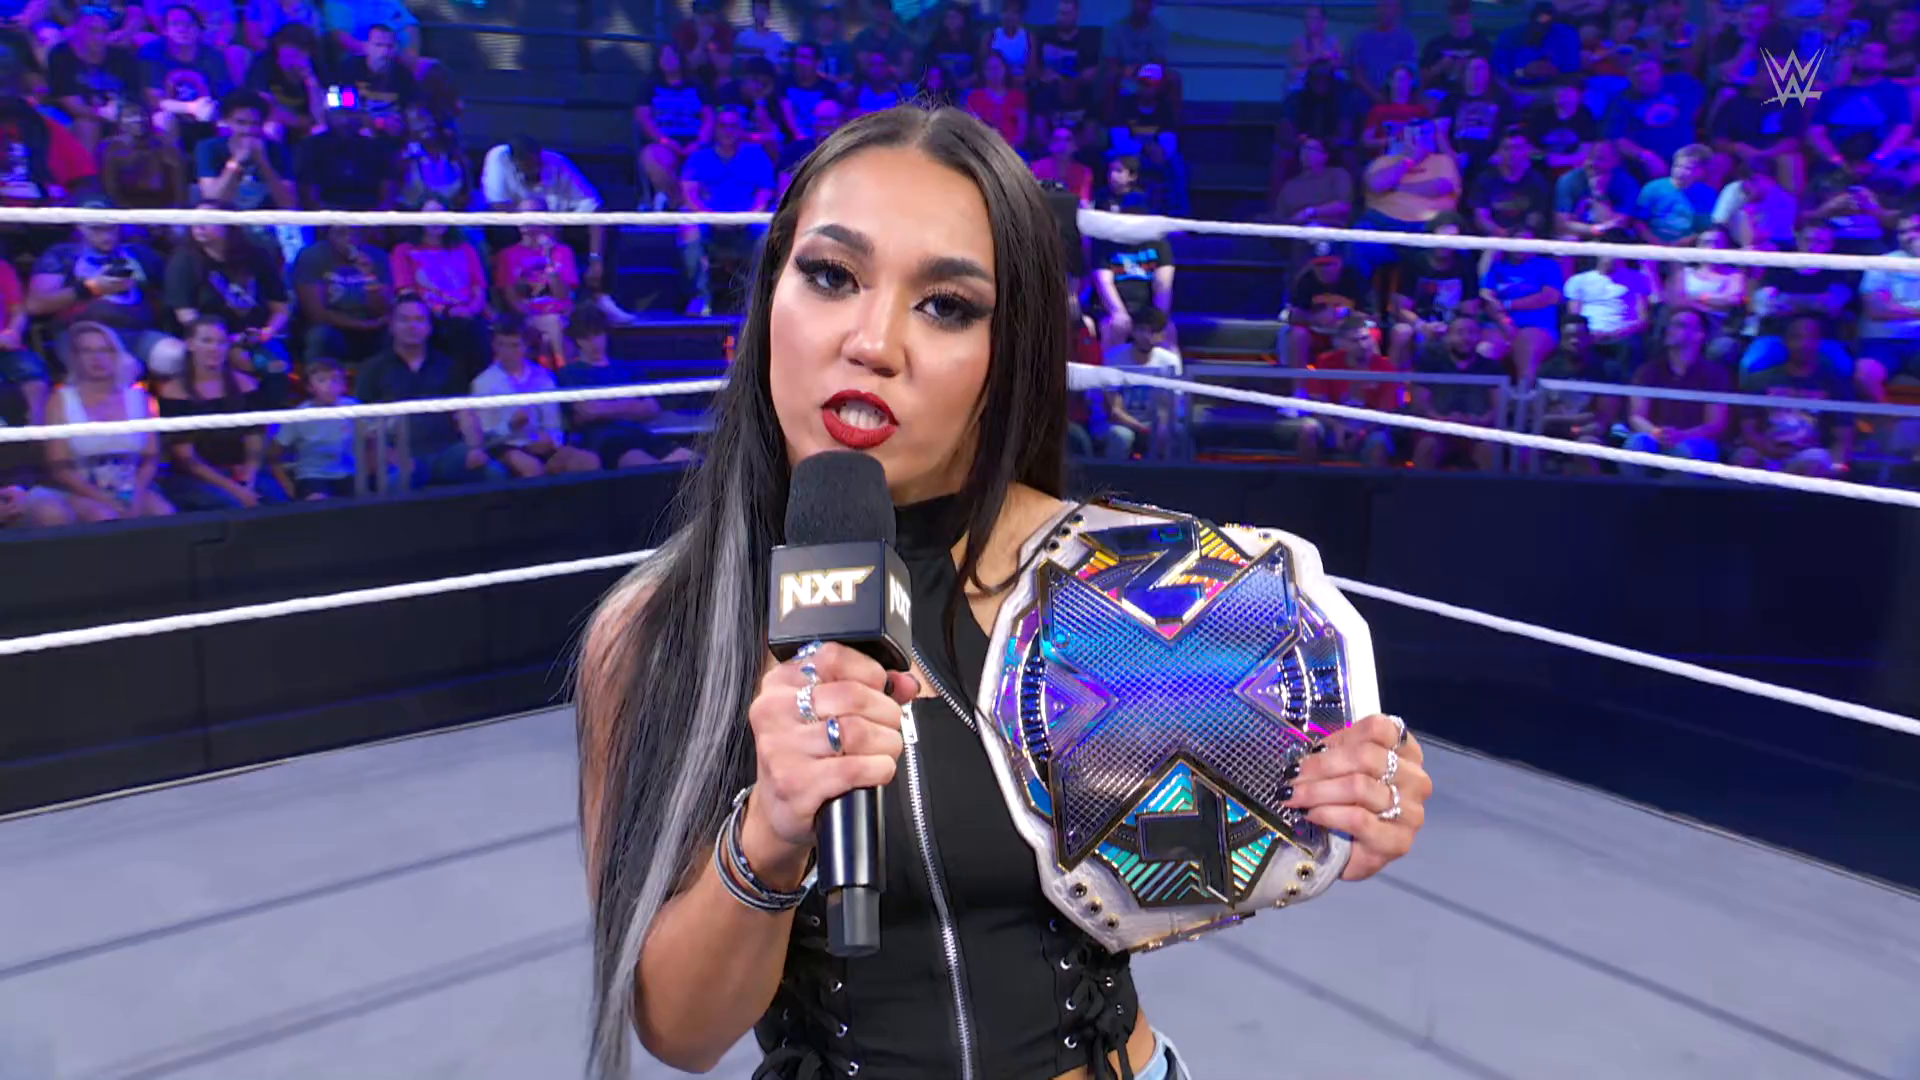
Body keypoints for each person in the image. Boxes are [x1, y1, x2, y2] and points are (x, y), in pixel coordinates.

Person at [573, 105, 1431, 1080]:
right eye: (832, 276)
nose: (872, 341)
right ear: (770, 299)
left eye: (946, 305)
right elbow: (680, 1033)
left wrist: (1356, 795)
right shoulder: (653, 635)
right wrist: (770, 830)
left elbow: (1289, 790)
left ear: (1008, 351)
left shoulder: (1123, 581)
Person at [39, 322, 172, 521]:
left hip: (133, 487)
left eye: (104, 350)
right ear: (75, 358)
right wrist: (104, 499)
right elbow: (60, 468)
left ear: (116, 355)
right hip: (81, 491)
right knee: (103, 516)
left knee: (164, 514)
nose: (97, 358)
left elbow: (150, 458)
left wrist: (136, 494)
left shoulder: (141, 398)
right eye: (87, 351)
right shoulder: (59, 401)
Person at [156, 316, 289, 510]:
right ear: (190, 344)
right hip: (196, 477)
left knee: (278, 503)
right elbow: (186, 459)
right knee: (232, 505)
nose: (214, 348)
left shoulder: (246, 384)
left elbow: (255, 436)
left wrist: (249, 476)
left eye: (221, 342)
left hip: (240, 470)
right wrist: (236, 490)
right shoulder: (173, 391)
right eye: (207, 341)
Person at [470, 314, 600, 479]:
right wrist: (510, 426)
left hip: (540, 444)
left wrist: (552, 440)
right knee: (530, 468)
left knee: (588, 461)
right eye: (501, 345)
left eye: (515, 345)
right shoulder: (483, 383)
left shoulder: (543, 377)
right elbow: (485, 435)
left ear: (526, 346)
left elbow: (553, 424)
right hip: (506, 447)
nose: (507, 352)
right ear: (494, 345)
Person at [271, 356, 362, 499]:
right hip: (312, 477)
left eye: (336, 379)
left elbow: (373, 439)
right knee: (318, 500)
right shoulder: (299, 415)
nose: (330, 385)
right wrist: (289, 489)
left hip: (349, 474)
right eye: (322, 380)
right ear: (310, 387)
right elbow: (273, 455)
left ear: (344, 385)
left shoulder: (353, 407)